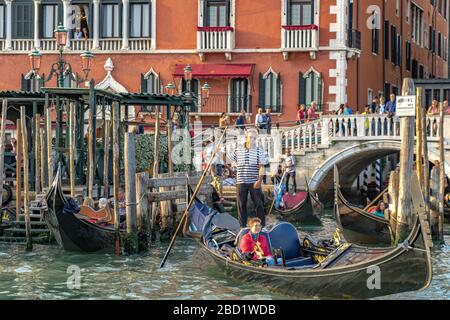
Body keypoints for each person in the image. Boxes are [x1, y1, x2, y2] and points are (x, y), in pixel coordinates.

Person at [227, 128, 268, 227]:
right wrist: (218, 152)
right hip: (241, 181)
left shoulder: (259, 151)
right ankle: (242, 226)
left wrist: (259, 180)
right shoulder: (238, 150)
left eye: (254, 138)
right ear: (246, 138)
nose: (252, 139)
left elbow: (262, 167)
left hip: (254, 181)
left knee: (259, 204)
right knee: (241, 205)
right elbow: (227, 160)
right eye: (250, 137)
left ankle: (262, 226)